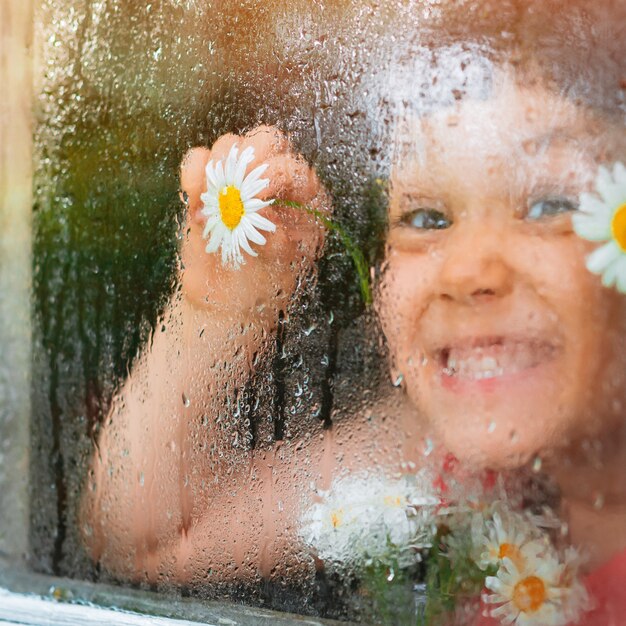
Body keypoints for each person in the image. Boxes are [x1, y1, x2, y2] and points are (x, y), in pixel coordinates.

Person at [81, 8, 626, 624]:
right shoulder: (440, 462)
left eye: (550, 203)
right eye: (425, 219)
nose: (468, 272)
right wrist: (219, 313)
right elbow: (148, 542)